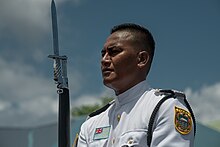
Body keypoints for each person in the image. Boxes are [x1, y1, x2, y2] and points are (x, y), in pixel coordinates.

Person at [73, 23, 196, 147]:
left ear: (142, 59)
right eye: (103, 54)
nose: (104, 60)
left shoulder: (164, 108)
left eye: (114, 52)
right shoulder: (91, 124)